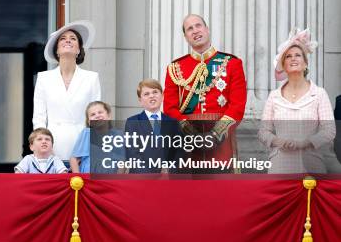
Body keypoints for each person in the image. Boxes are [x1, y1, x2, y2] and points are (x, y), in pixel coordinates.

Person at [163, 14, 247, 164]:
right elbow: (170, 109)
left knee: (221, 187)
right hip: (187, 145)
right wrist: (192, 135)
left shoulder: (232, 64)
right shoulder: (175, 68)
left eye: (198, 25)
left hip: (221, 143)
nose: (195, 31)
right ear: (185, 37)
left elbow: (237, 106)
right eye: (190, 29)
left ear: (207, 30)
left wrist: (215, 134)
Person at [258, 28, 339, 174]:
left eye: (298, 55)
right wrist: (279, 141)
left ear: (305, 63)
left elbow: (329, 130)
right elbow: (264, 131)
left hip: (312, 165)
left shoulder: (319, 94)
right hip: (279, 166)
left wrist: (306, 142)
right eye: (288, 56)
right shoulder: (274, 96)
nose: (293, 58)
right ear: (284, 65)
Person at [33, 20, 101, 165]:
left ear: (79, 50)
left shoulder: (91, 78)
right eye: (63, 39)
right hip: (52, 150)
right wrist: (44, 146)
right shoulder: (44, 78)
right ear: (57, 50)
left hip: (82, 151)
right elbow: (39, 118)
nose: (68, 41)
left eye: (73, 39)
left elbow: (96, 118)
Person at [125, 79, 184, 173]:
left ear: (162, 96)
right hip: (142, 180)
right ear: (140, 100)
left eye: (155, 92)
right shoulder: (132, 122)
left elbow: (179, 152)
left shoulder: (173, 122)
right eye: (146, 94)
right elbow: (133, 155)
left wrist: (169, 171)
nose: (151, 96)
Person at [70, 101, 123, 173]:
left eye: (100, 112)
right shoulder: (87, 133)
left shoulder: (118, 135)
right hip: (87, 178)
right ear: (89, 122)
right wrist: (78, 177)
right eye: (93, 114)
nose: (97, 115)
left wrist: (118, 179)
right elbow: (74, 159)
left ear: (108, 116)